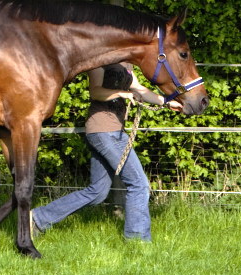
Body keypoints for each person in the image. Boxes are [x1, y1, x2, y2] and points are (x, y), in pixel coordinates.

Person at [31, 62, 182, 241]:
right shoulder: (100, 61)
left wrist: (166, 101)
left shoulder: (126, 64)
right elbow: (95, 91)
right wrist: (120, 93)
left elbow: (140, 89)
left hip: (112, 131)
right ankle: (137, 240)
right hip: (104, 130)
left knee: (97, 192)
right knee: (139, 184)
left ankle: (37, 218)